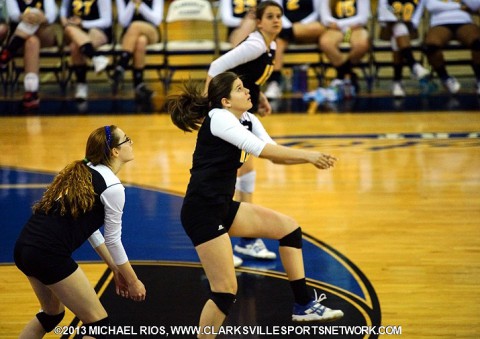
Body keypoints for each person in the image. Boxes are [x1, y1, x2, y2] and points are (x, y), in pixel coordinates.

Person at [167, 72, 344, 337]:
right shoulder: (219, 118)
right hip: (201, 212)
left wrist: (309, 160)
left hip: (223, 207)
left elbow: (275, 155)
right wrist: (309, 155)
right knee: (225, 291)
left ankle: (304, 305)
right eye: (240, 89)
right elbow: (261, 150)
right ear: (226, 101)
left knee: (289, 229)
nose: (248, 91)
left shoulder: (248, 119)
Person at [13, 125, 146, 339]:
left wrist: (114, 268)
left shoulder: (85, 172)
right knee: (98, 324)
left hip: (24, 248)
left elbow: (91, 231)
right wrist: (133, 281)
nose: (131, 143)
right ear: (115, 152)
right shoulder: (113, 187)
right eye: (127, 139)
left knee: (51, 315)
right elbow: (114, 241)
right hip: (48, 254)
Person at [206, 0, 282, 265]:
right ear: (258, 22)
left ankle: (246, 239)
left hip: (241, 110)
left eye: (279, 16)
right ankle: (216, 240)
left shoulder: (269, 45)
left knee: (245, 170)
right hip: (229, 112)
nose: (276, 20)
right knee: (228, 175)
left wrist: (259, 98)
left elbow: (248, 76)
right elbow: (217, 68)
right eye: (270, 16)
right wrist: (215, 107)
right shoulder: (255, 44)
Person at [0, 0, 58, 108]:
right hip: (22, 37)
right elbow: (13, 15)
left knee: (35, 11)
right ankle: (31, 91)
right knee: (32, 41)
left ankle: (7, 52)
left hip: (44, 34)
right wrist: (24, 16)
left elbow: (52, 15)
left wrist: (40, 18)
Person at [264, 0, 326, 99]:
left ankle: (285, 33)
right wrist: (288, 26)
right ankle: (274, 82)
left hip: (308, 29)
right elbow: (276, 9)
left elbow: (318, 13)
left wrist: (299, 26)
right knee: (277, 43)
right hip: (284, 28)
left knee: (319, 27)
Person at [422, 0, 480, 95]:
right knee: (431, 46)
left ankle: (479, 78)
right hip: (439, 22)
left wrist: (447, 6)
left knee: (477, 42)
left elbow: (476, 4)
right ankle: (445, 78)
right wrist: (460, 6)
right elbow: (432, 6)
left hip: (463, 21)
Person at [60, 0, 112, 101]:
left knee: (75, 45)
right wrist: (63, 18)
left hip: (96, 29)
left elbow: (107, 21)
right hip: (73, 29)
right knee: (70, 29)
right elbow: (63, 8)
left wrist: (83, 23)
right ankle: (95, 57)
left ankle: (81, 84)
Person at [112, 0, 163, 102]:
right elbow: (123, 22)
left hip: (151, 31)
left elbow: (157, 20)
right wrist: (132, 3)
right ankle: (139, 84)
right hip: (129, 36)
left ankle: (122, 63)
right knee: (141, 41)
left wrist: (141, 5)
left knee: (136, 25)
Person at [318, 0, 371, 97]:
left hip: (355, 28)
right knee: (325, 43)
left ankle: (341, 75)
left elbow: (363, 17)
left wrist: (343, 24)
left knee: (362, 44)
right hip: (335, 29)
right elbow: (324, 17)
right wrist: (337, 25)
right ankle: (349, 75)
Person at [377, 0, 429, 97]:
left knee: (398, 33)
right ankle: (413, 65)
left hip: (410, 28)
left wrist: (409, 23)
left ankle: (397, 81)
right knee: (398, 28)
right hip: (387, 27)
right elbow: (383, 12)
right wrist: (395, 19)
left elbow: (418, 15)